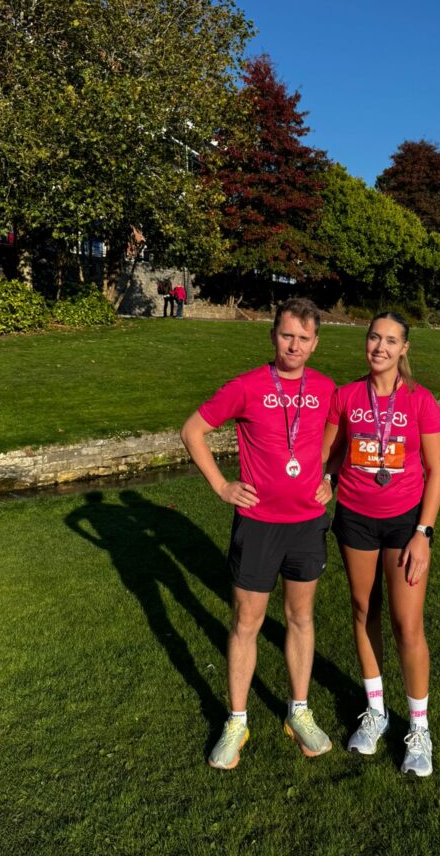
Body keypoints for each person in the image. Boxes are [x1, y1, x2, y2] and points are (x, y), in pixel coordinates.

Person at [180, 298, 336, 770]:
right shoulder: (246, 386)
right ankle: (237, 720)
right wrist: (221, 486)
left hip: (307, 523)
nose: (294, 345)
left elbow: (340, 432)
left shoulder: (326, 388)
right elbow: (192, 431)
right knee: (246, 623)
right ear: (273, 335)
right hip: (259, 524)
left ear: (315, 343)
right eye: (287, 335)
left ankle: (299, 712)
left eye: (304, 338)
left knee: (300, 618)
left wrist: (328, 474)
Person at [319, 312, 440, 777]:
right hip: (355, 518)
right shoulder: (346, 396)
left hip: (405, 523)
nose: (380, 347)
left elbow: (437, 473)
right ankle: (376, 711)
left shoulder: (420, 400)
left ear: (404, 349)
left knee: (406, 624)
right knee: (362, 609)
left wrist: (423, 533)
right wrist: (326, 476)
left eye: (391, 341)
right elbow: (329, 454)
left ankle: (419, 728)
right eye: (374, 338)